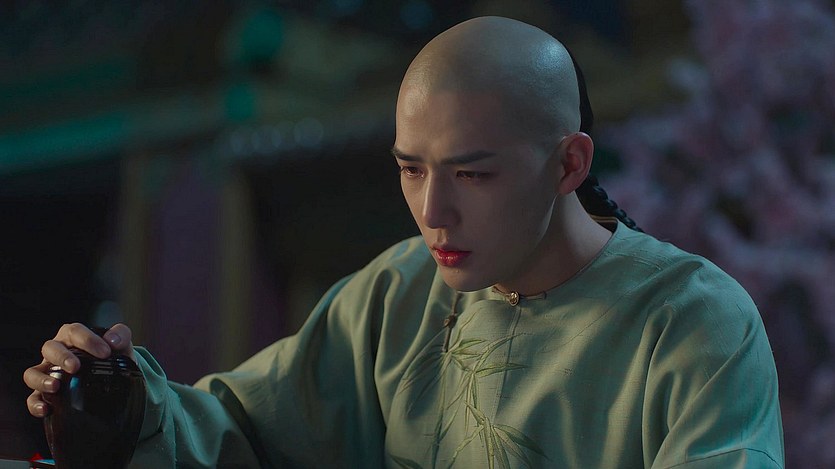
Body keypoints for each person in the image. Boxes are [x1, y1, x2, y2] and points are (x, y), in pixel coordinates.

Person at [24, 16, 784, 468]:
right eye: (411, 169)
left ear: (568, 164)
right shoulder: (396, 293)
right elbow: (245, 430)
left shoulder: (690, 322)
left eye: (472, 175)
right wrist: (126, 401)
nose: (433, 211)